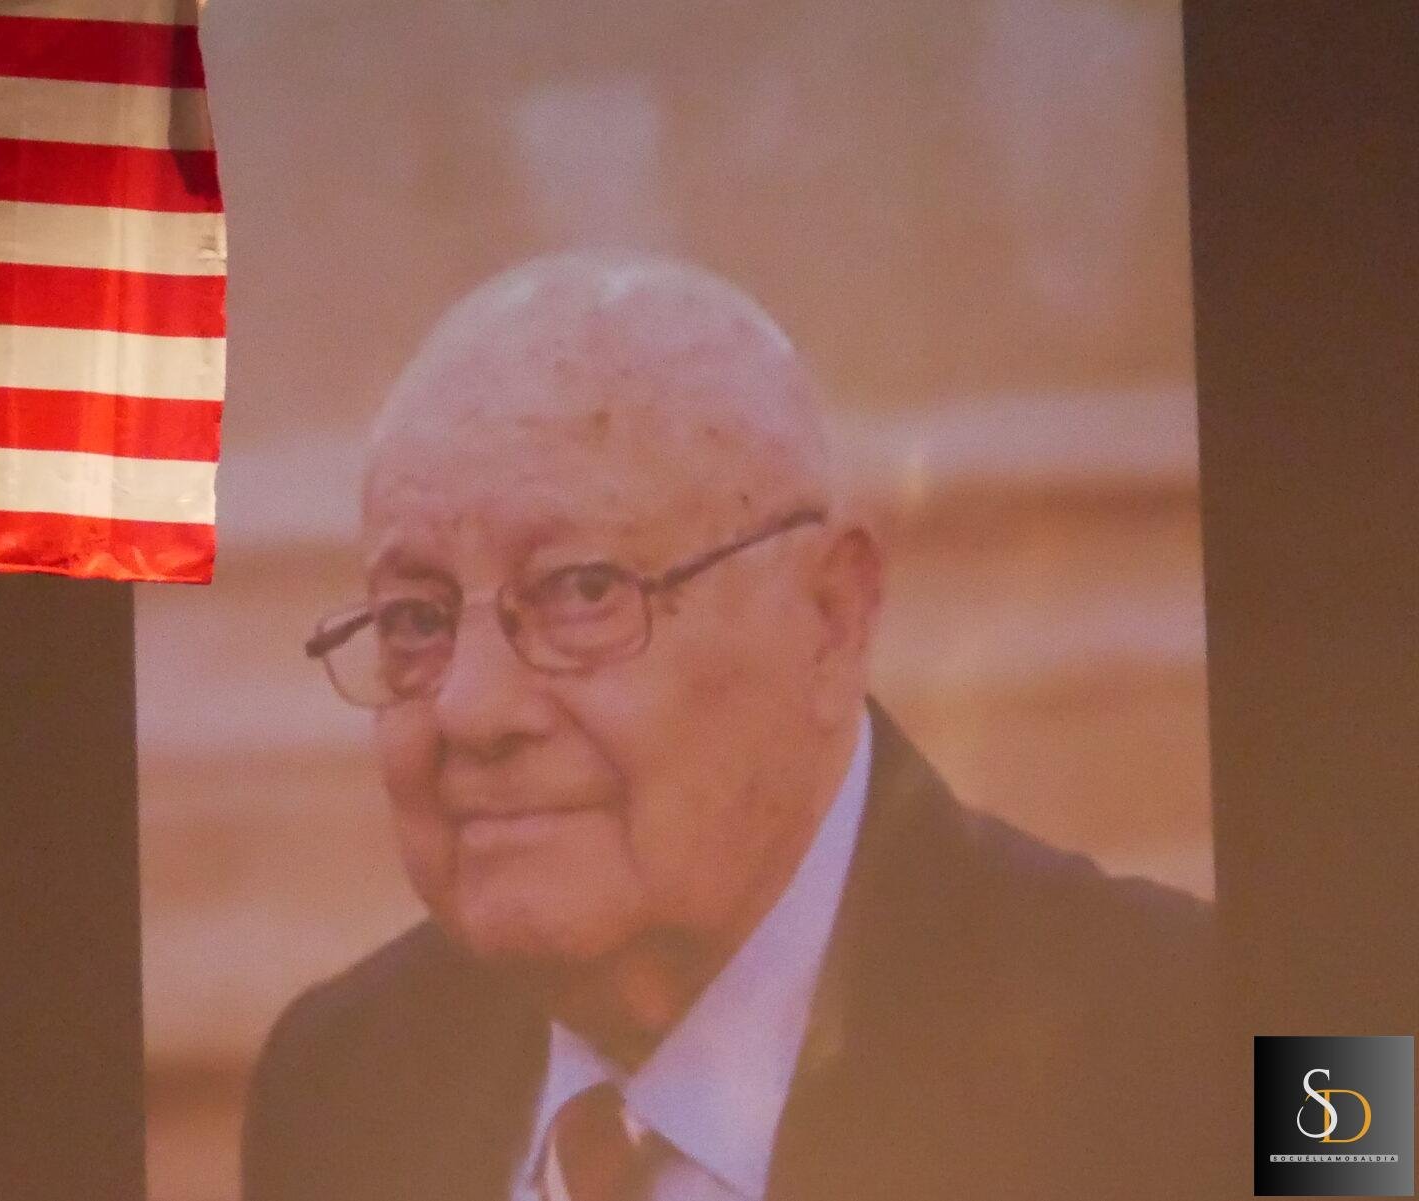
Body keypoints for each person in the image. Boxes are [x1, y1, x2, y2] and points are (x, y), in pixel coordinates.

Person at [242, 253, 1227, 1201]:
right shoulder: (338, 1086)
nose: (471, 708)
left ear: (829, 619)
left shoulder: (1207, 1042)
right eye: (415, 620)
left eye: (582, 590)